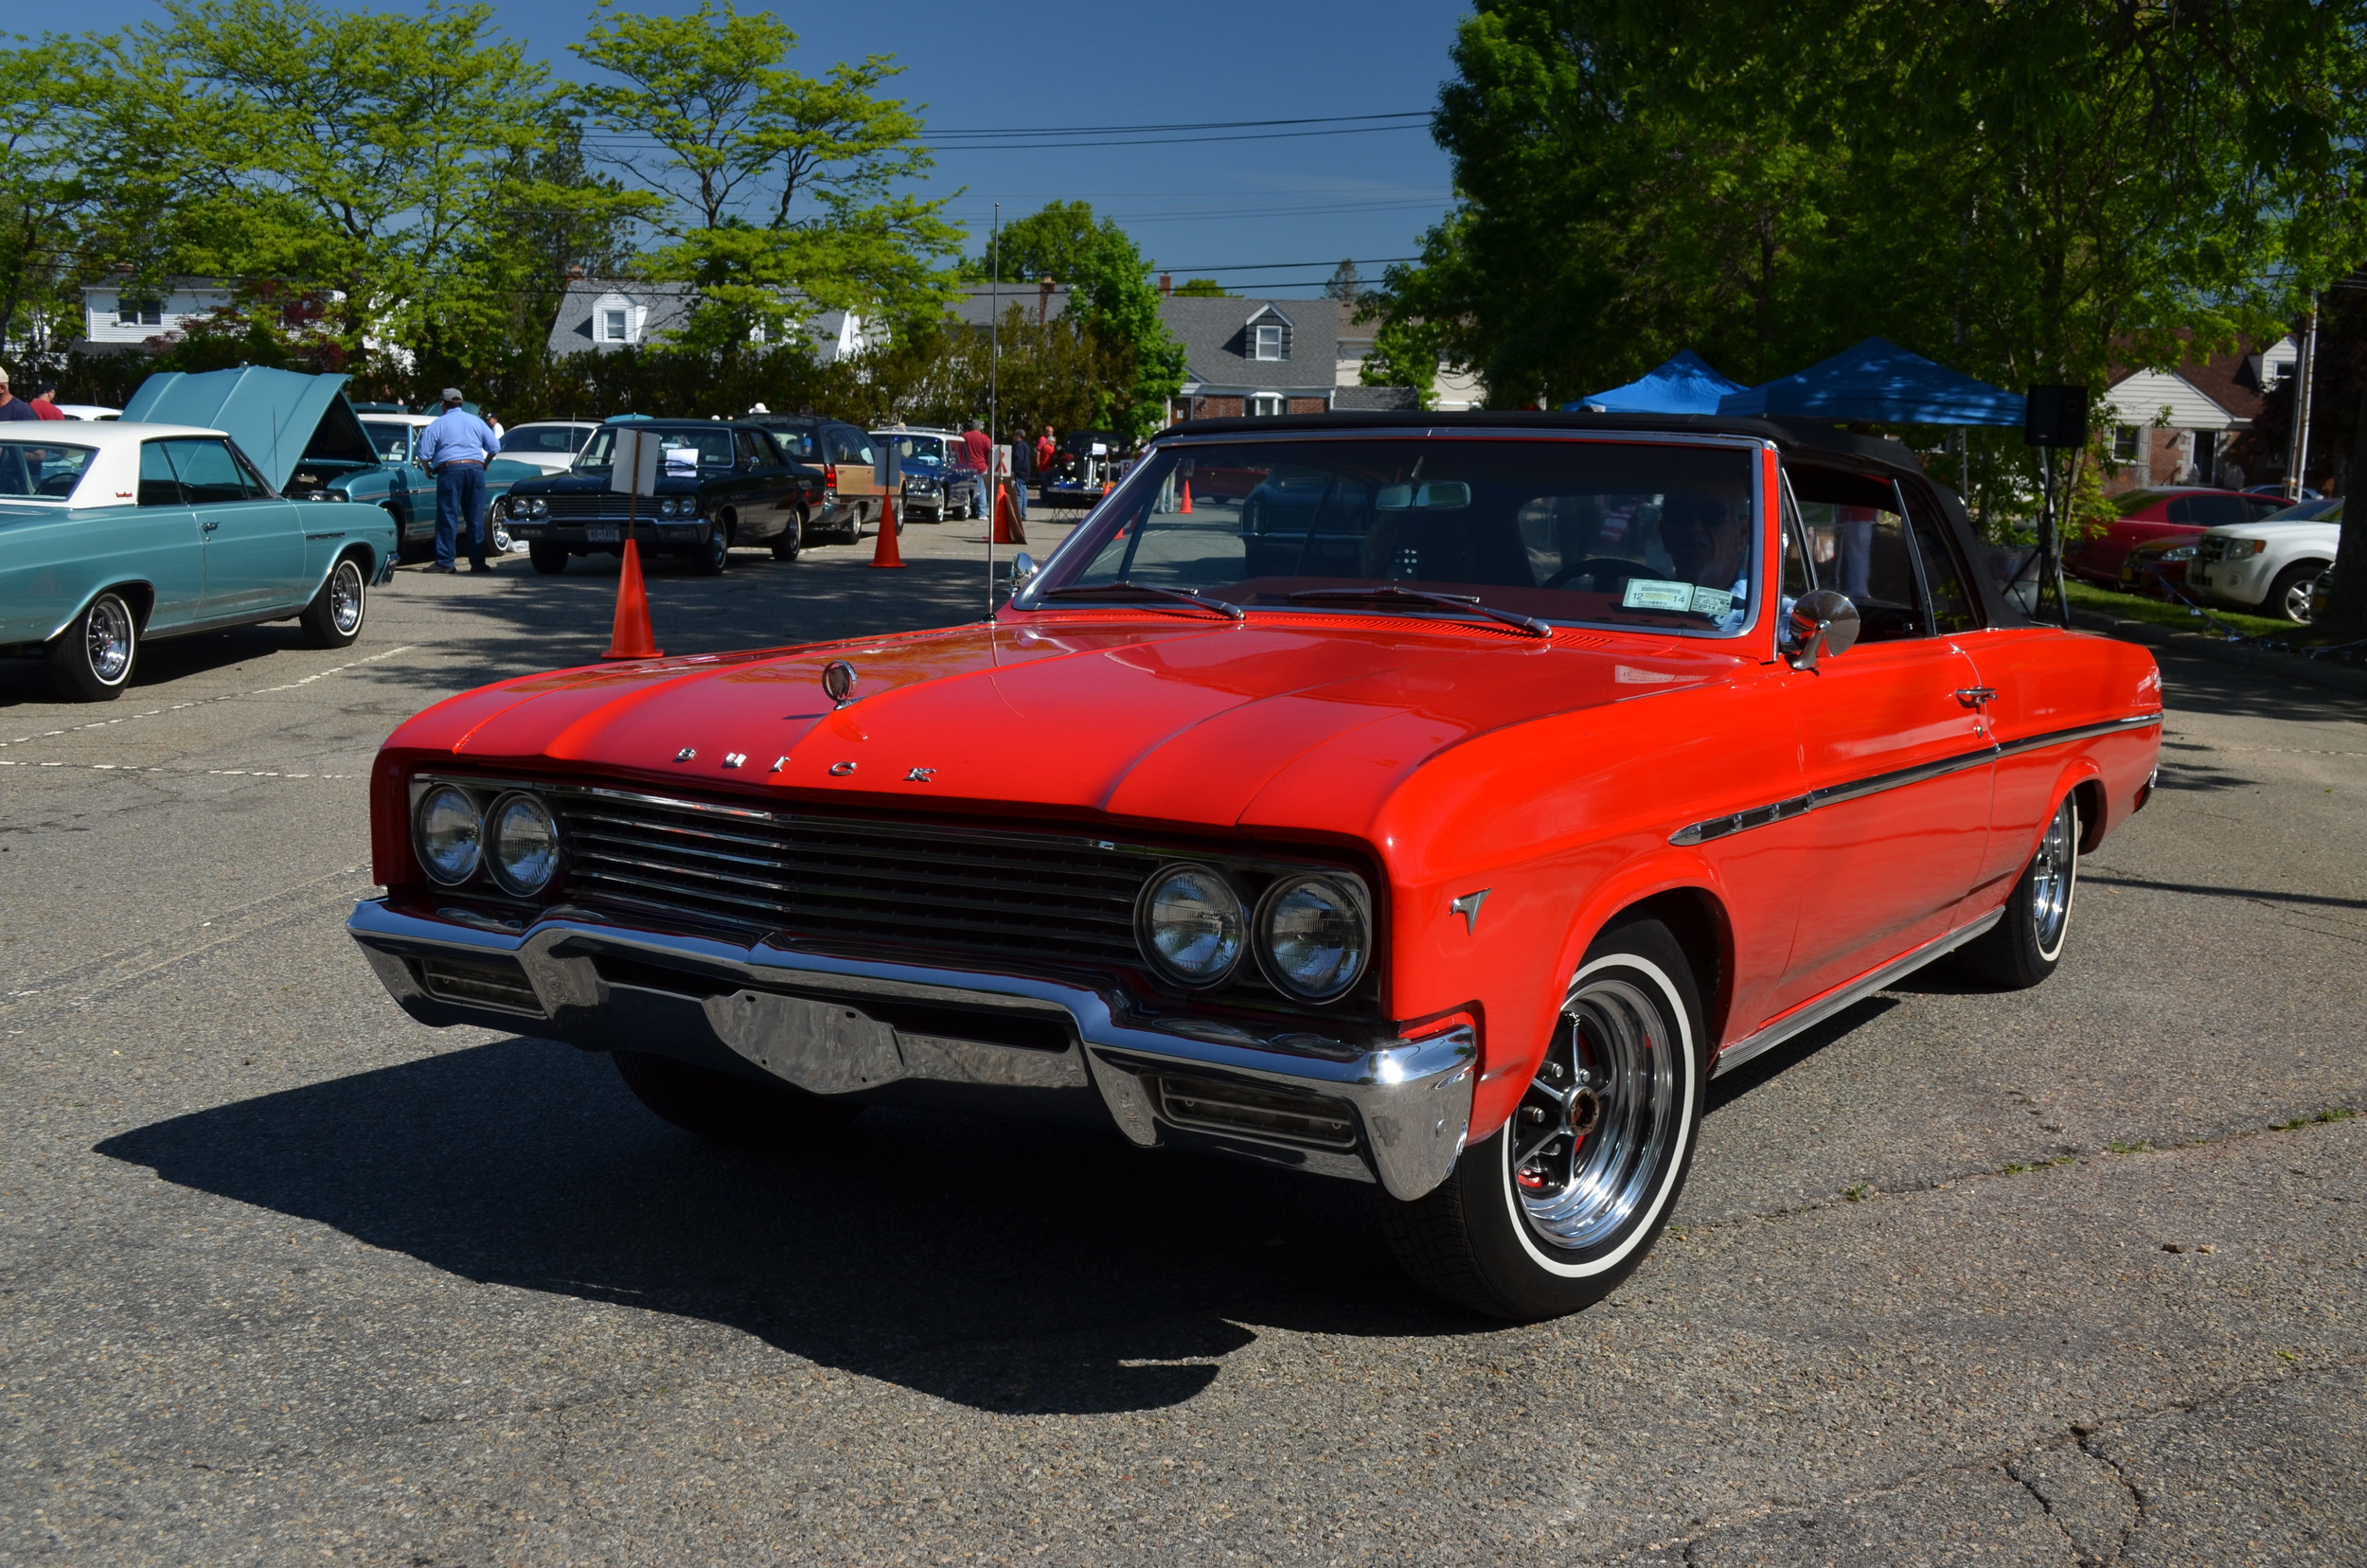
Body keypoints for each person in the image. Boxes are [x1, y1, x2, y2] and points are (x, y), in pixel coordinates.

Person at [417, 387, 503, 573]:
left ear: (442, 404)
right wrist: (485, 464)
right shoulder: (476, 421)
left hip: (450, 470)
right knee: (474, 517)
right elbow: (495, 446)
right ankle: (478, 562)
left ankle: (446, 562)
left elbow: (424, 453)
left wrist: (427, 469)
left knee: (448, 516)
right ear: (461, 403)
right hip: (475, 468)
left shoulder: (437, 424)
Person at [1661, 494, 1751, 632]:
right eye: (1677, 513)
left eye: (1712, 513)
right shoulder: (1630, 611)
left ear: (1742, 533)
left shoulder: (1781, 619)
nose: (1693, 527)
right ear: (1664, 534)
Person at [960, 419, 990, 517]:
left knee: (966, 490)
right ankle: (981, 513)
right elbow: (989, 452)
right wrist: (988, 465)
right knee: (981, 491)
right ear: (980, 427)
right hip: (981, 467)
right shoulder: (985, 438)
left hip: (967, 467)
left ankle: (963, 510)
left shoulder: (964, 436)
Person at [1005, 427, 1032, 521]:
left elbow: (1018, 459)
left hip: (1020, 472)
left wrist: (1013, 469)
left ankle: (1018, 514)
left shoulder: (1019, 446)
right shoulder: (1026, 446)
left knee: (1019, 494)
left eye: (1014, 435)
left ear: (1018, 436)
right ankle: (1023, 514)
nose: (1013, 437)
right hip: (1026, 472)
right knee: (1024, 493)